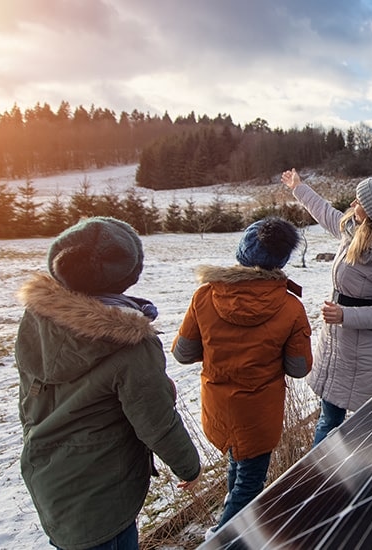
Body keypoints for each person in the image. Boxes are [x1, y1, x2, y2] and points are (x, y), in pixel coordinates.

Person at [15, 216, 201, 550]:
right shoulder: (131, 344)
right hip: (103, 493)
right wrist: (188, 467)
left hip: (48, 475)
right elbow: (156, 421)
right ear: (128, 275)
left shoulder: (38, 320)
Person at [172, 217, 313, 535]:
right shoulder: (291, 307)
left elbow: (182, 353)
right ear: (281, 260)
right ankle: (223, 538)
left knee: (237, 465)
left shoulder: (205, 296)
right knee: (250, 481)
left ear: (243, 252)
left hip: (218, 406)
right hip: (260, 412)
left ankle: (224, 524)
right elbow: (299, 368)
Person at [281, 168, 372, 446]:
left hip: (366, 355)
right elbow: (325, 212)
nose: (351, 205)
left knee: (366, 428)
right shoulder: (354, 230)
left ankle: (331, 480)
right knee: (328, 419)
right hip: (337, 346)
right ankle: (320, 480)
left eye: (358, 203)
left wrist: (345, 314)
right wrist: (298, 187)